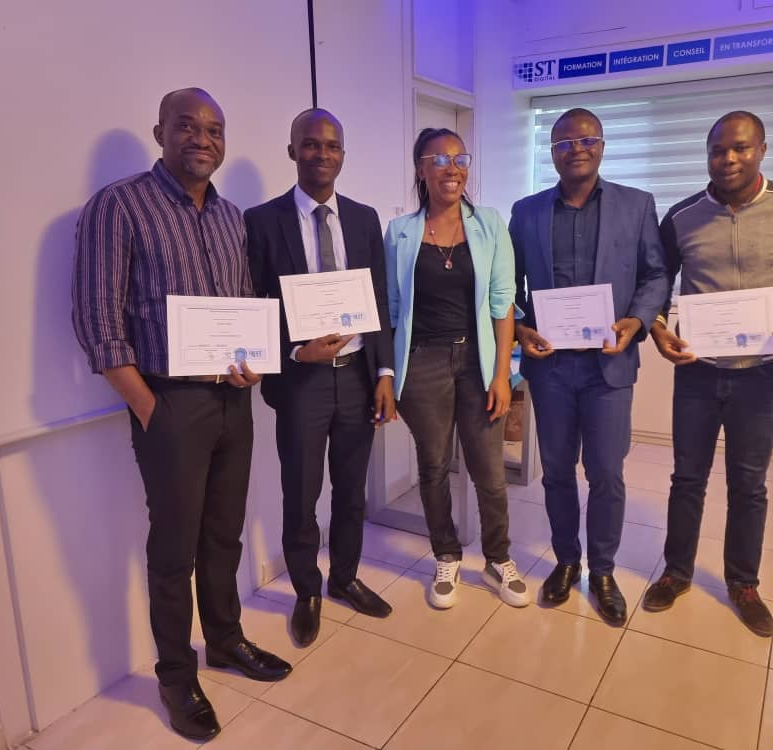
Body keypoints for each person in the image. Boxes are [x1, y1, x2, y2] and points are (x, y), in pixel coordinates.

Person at [72, 88, 292, 742]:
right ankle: (175, 675)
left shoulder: (230, 216)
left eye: (214, 129)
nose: (203, 139)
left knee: (224, 535)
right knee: (173, 551)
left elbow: (242, 304)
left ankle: (225, 639)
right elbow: (98, 322)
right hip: (170, 403)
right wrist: (149, 407)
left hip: (233, 401)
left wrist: (255, 360)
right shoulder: (118, 206)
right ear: (160, 132)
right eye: (188, 126)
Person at [643, 110, 773, 637]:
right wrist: (658, 328)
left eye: (740, 148)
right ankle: (676, 572)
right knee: (687, 478)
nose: (728, 159)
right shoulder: (683, 216)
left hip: (760, 374)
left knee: (749, 483)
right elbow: (656, 280)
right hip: (696, 371)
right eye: (718, 150)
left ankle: (743, 583)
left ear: (762, 150)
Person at [509, 108, 668, 625]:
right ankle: (565, 562)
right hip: (551, 369)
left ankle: (602, 571)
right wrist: (521, 327)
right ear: (551, 151)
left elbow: (656, 276)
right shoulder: (526, 212)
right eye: (563, 142)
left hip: (608, 367)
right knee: (556, 472)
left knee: (605, 473)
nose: (575, 149)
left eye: (586, 140)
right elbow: (507, 287)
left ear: (601, 145)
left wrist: (637, 321)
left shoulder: (636, 205)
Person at [245, 109, 396, 647]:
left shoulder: (363, 218)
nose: (322, 154)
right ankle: (307, 590)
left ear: (343, 155)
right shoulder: (262, 220)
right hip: (301, 382)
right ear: (292, 151)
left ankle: (345, 577)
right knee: (302, 493)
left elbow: (379, 298)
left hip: (357, 378)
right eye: (310, 144)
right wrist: (293, 351)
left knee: (352, 490)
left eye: (332, 146)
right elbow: (255, 302)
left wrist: (384, 371)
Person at [385, 127, 529, 609]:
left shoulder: (489, 223)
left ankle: (497, 559)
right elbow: (392, 308)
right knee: (433, 466)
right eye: (440, 159)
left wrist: (502, 375)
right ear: (421, 170)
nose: (453, 168)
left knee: (489, 470)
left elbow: (502, 303)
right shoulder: (399, 232)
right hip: (422, 363)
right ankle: (445, 554)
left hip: (477, 361)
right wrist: (387, 373)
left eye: (460, 158)